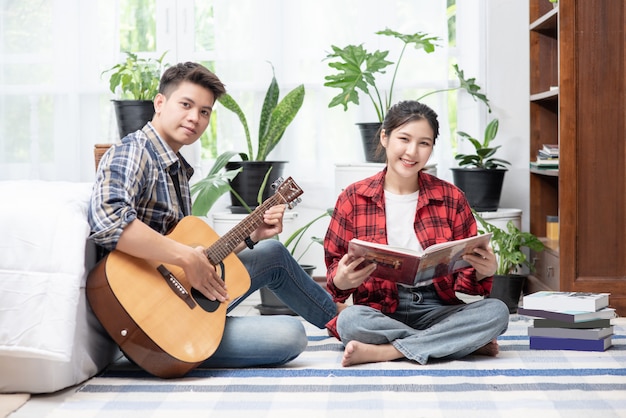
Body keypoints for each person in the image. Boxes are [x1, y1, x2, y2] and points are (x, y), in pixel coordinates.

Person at [89, 62, 337, 368]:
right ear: (160, 103)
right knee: (290, 335)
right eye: (186, 104)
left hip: (176, 300)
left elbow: (197, 258)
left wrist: (253, 234)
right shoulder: (133, 152)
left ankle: (344, 325)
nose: (195, 117)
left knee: (270, 250)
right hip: (145, 320)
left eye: (205, 111)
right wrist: (186, 257)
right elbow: (110, 222)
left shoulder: (177, 169)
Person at [324, 100, 509, 367]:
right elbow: (334, 279)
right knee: (350, 322)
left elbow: (467, 283)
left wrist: (484, 270)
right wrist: (341, 279)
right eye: (404, 139)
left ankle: (388, 351)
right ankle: (455, 343)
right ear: (385, 137)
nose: (412, 152)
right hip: (380, 311)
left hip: (438, 309)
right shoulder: (353, 197)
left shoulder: (451, 197)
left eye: (424, 143)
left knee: (497, 313)